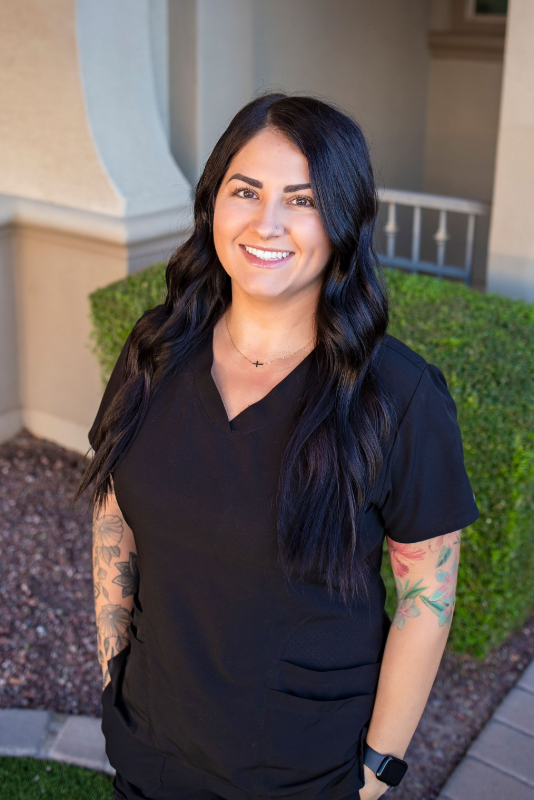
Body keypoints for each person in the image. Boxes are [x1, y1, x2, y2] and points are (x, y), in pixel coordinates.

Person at [76, 93, 479, 800]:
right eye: (246, 191)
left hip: (303, 768)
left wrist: (379, 767)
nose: (267, 223)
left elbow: (427, 596)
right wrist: (114, 669)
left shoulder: (398, 396)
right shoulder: (156, 350)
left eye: (303, 199)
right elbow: (115, 506)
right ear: (214, 203)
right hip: (151, 746)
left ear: (344, 220)